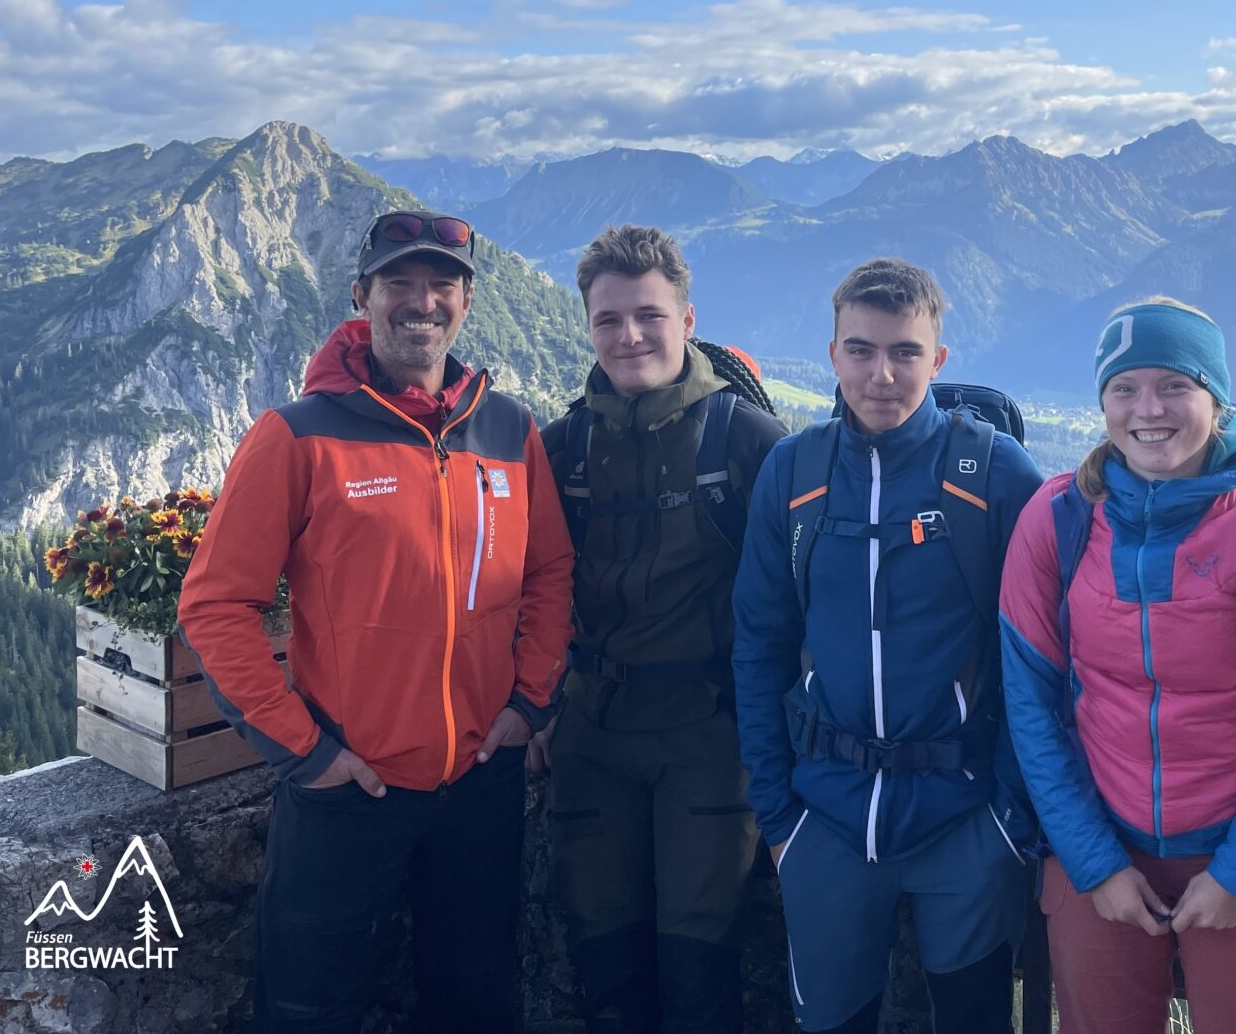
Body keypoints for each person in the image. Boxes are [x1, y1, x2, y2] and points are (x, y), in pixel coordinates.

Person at [178, 209, 574, 1034]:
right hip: (346, 788)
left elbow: (549, 574)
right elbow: (216, 607)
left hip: (479, 783)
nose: (419, 301)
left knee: (476, 1003)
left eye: (441, 284)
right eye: (399, 282)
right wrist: (307, 752)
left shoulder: (508, 430)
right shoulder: (296, 435)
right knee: (306, 1009)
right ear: (363, 296)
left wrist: (529, 704)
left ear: (466, 303)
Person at [999, 297, 1236, 1034]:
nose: (1148, 409)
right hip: (1096, 845)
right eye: (1124, 388)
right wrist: (1094, 862)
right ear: (1101, 400)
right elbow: (1030, 705)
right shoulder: (1059, 520)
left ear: (1215, 397)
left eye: (1174, 385)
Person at [731, 258, 1042, 1034]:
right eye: (861, 350)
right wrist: (779, 818)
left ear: (937, 361)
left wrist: (1008, 816)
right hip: (825, 818)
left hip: (967, 817)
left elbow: (1041, 654)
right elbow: (759, 643)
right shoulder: (793, 472)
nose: (882, 374)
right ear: (832, 356)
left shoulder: (993, 473)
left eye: (905, 352)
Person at [535, 224, 787, 1034]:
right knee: (603, 971)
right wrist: (530, 701)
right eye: (608, 319)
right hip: (592, 739)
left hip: (710, 743)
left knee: (698, 975)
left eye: (648, 314)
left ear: (687, 317)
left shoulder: (747, 442)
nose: (629, 335)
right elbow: (522, 590)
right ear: (587, 327)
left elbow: (800, 599)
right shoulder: (562, 447)